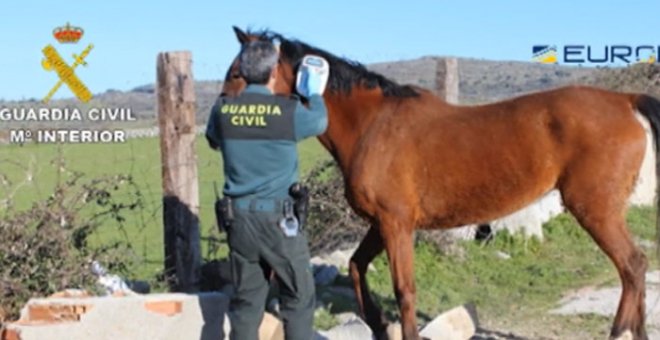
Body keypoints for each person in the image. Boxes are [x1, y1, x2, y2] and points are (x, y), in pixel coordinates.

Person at [205, 40, 329, 340]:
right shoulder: (288, 111)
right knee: (298, 297)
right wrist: (312, 92)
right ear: (274, 71)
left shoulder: (222, 110)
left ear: (243, 72)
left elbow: (213, 139)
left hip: (239, 222)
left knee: (247, 303)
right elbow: (320, 121)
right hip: (279, 222)